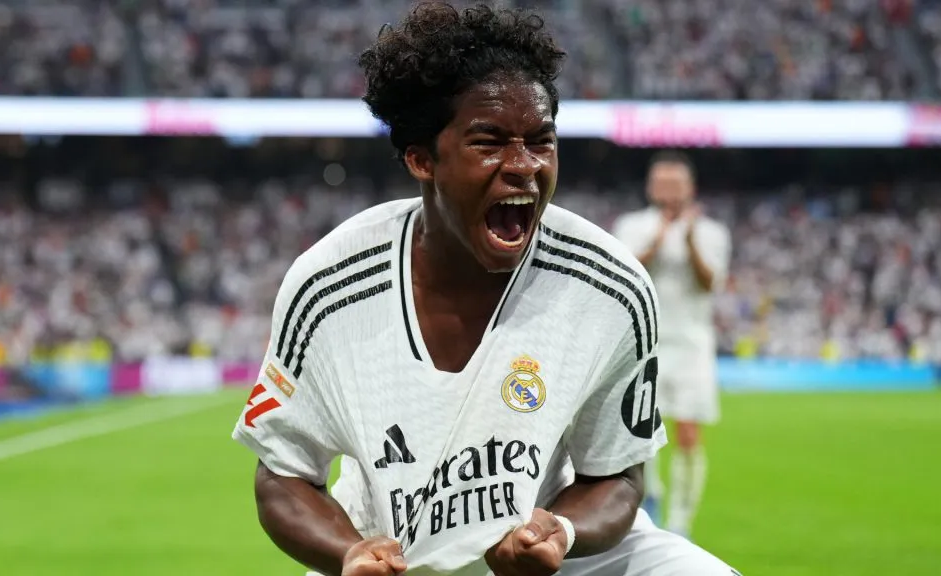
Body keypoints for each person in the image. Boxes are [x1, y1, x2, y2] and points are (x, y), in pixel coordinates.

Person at [233, 3, 739, 575]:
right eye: (489, 142)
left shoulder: (610, 285)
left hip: (554, 549)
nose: (524, 165)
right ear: (421, 158)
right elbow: (283, 475)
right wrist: (347, 552)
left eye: (541, 141)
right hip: (386, 555)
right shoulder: (329, 285)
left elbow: (619, 475)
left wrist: (562, 531)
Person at [610, 151, 732, 539]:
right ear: (650, 187)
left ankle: (681, 520)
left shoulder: (710, 231)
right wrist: (657, 241)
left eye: (675, 184)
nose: (668, 191)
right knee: (641, 430)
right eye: (662, 183)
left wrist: (691, 241)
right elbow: (624, 274)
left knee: (689, 432)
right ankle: (652, 498)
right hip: (645, 342)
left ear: (690, 187)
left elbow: (710, 283)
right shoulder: (632, 226)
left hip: (692, 343)